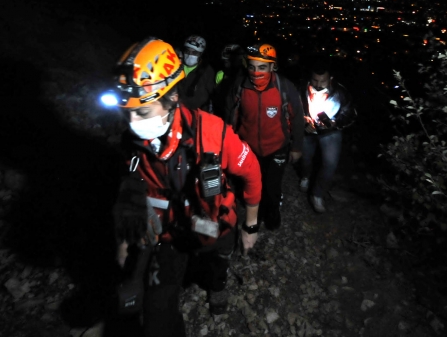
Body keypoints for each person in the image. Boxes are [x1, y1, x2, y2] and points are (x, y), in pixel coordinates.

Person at [108, 37, 262, 336]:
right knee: (156, 315)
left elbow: (251, 171)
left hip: (214, 224)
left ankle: (217, 287)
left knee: (218, 262)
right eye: (126, 111)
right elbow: (129, 190)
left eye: (142, 111)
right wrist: (125, 240)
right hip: (169, 236)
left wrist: (251, 225)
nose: (132, 121)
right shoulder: (130, 146)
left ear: (172, 98)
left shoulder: (214, 132)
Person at [223, 43, 304, 230]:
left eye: (261, 67)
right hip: (249, 147)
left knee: (272, 186)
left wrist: (297, 147)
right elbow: (230, 115)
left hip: (277, 147)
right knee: (253, 184)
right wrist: (230, 144)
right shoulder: (240, 86)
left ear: (272, 66)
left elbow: (297, 118)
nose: (255, 71)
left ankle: (273, 213)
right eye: (251, 66)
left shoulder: (285, 88)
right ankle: (255, 216)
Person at [298, 57, 357, 213]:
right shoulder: (301, 88)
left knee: (330, 164)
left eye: (322, 81)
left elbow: (350, 114)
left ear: (330, 79)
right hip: (307, 132)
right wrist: (302, 119)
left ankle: (318, 194)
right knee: (305, 158)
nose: (317, 85)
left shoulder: (341, 92)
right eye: (314, 80)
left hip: (330, 133)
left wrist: (335, 123)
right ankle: (305, 177)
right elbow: (291, 107)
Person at [176, 34, 216, 112]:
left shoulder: (207, 71)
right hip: (177, 112)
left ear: (200, 54)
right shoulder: (177, 66)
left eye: (194, 53)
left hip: (196, 115)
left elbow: (211, 96)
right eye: (187, 51)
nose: (190, 55)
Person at [212, 43, 243, 118]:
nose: (227, 63)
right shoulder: (220, 74)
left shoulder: (243, 77)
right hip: (222, 113)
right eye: (225, 61)